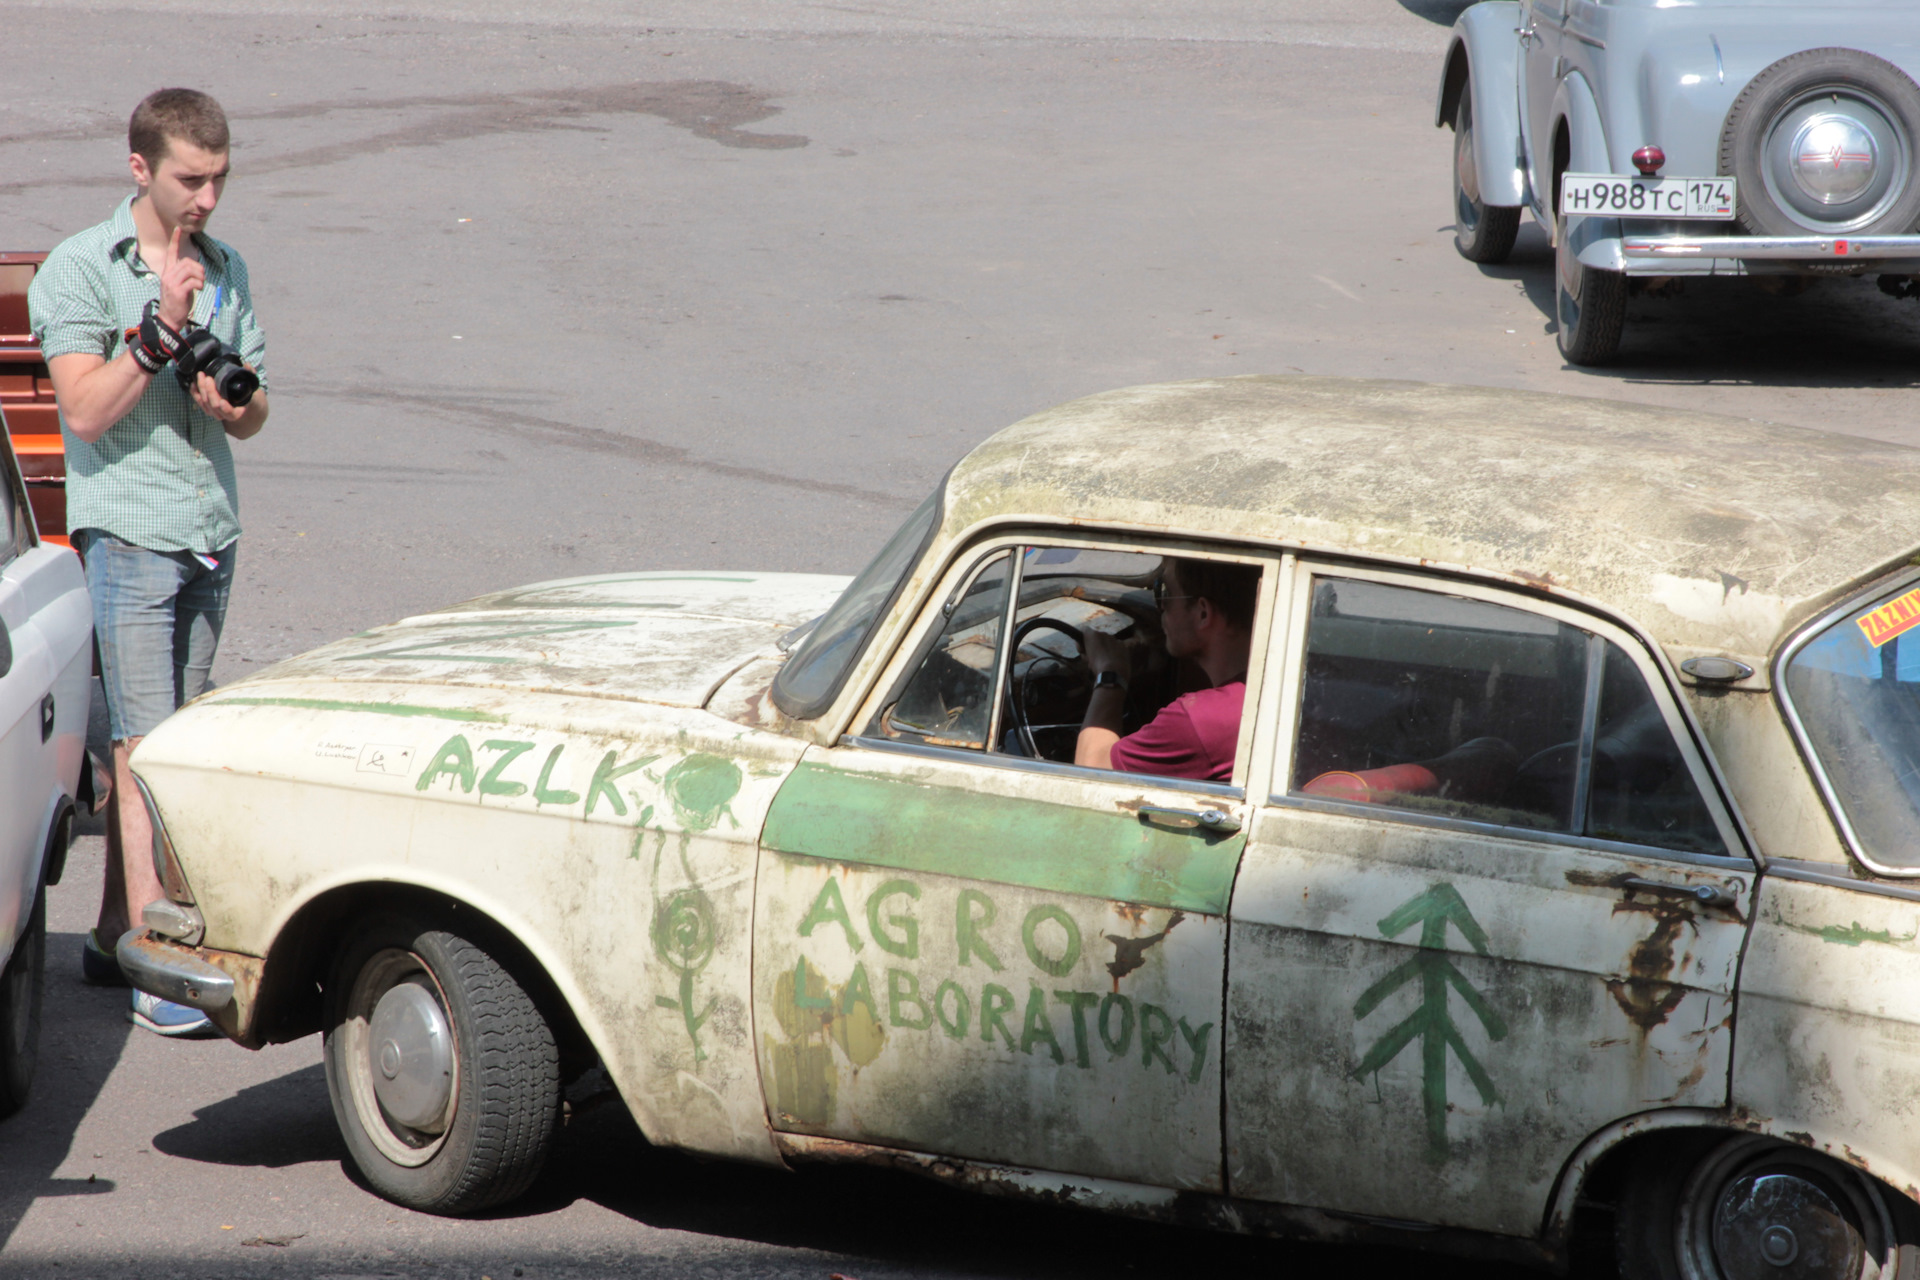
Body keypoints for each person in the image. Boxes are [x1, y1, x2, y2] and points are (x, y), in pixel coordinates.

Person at [29, 88, 269, 1037]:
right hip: (128, 532)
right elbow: (83, 412)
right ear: (141, 170)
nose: (207, 198)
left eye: (219, 178)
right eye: (190, 179)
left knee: (174, 742)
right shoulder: (82, 268)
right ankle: (159, 972)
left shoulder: (229, 267)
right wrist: (158, 334)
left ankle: (108, 936)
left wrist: (231, 406)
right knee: (144, 746)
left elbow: (257, 409)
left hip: (209, 525)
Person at [1075, 557, 1259, 782]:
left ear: (1203, 613)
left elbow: (1091, 772)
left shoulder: (1201, 720)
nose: (1160, 605)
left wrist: (1110, 673)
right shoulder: (1279, 686)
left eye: (1166, 592)